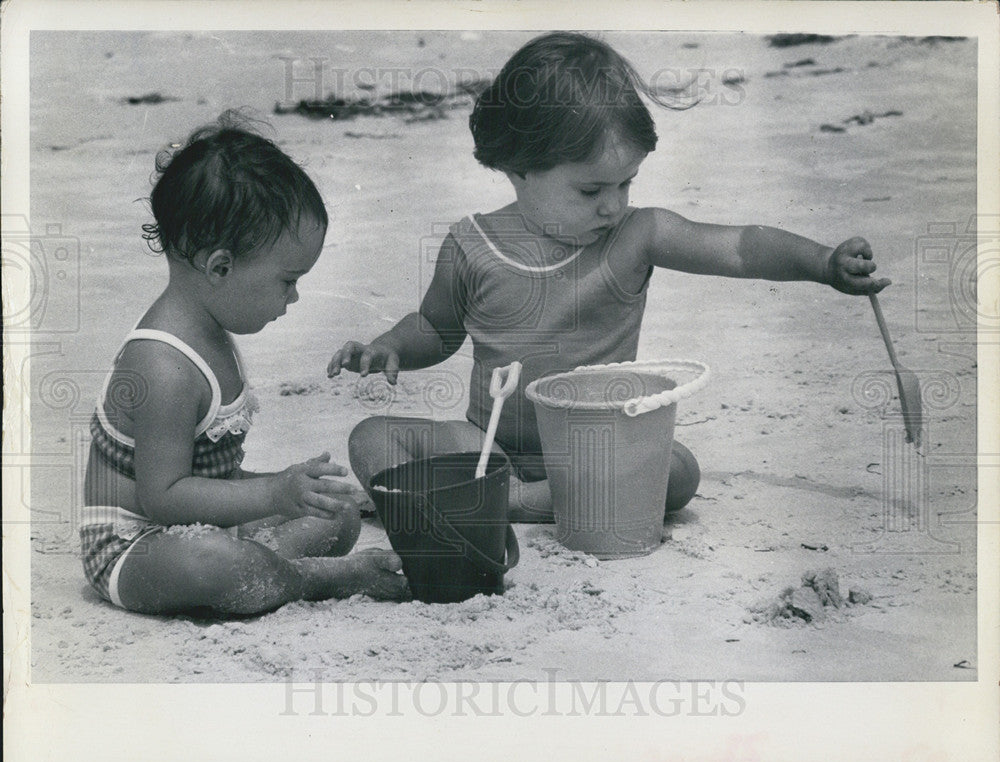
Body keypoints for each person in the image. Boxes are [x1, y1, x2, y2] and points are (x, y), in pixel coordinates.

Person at [328, 32, 890, 523]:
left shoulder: (635, 237)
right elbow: (436, 326)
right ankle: (531, 496)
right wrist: (392, 345)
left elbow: (740, 248)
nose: (613, 206)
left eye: (627, 183)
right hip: (489, 446)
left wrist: (821, 263)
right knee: (373, 438)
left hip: (599, 445)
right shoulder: (473, 245)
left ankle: (512, 503)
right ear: (516, 167)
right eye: (591, 190)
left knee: (676, 471)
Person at [82, 112, 409, 615]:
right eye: (287, 280)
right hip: (137, 546)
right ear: (220, 267)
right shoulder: (163, 365)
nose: (294, 296)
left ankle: (271, 568)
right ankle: (314, 578)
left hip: (195, 522)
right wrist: (274, 493)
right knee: (215, 563)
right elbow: (163, 498)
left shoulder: (212, 331)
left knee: (337, 513)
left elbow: (213, 476)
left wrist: (288, 485)